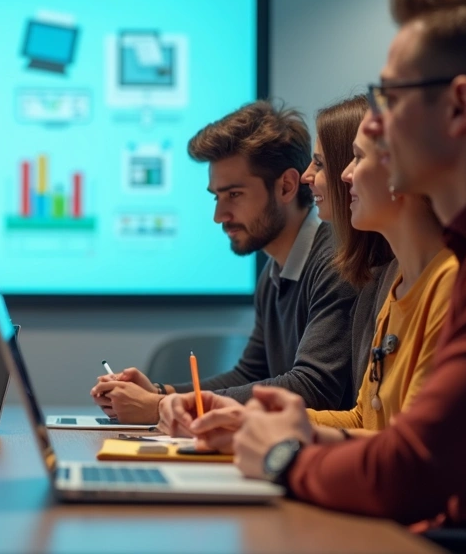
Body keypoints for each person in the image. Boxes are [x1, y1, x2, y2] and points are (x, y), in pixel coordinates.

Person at [230, 0, 466, 550]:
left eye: (389, 99)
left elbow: (412, 473)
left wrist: (283, 458)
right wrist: (305, 440)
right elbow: (415, 448)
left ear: (460, 107)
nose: (371, 124)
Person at [159, 98, 457, 451]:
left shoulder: (441, 282)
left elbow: (413, 450)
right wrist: (234, 415)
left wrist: (282, 455)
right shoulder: (396, 284)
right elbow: (364, 420)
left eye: (356, 158)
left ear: (402, 171)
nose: (341, 174)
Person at [92, 101, 359, 423]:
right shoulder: (274, 271)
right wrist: (162, 393)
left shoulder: (335, 262)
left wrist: (162, 407)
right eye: (217, 197)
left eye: (234, 195)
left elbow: (313, 388)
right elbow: (251, 374)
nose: (219, 216)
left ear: (286, 186)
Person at [303, 96, 397, 391]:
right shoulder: (382, 276)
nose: (347, 174)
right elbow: (366, 413)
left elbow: (314, 386)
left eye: (320, 163)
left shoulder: (430, 276)